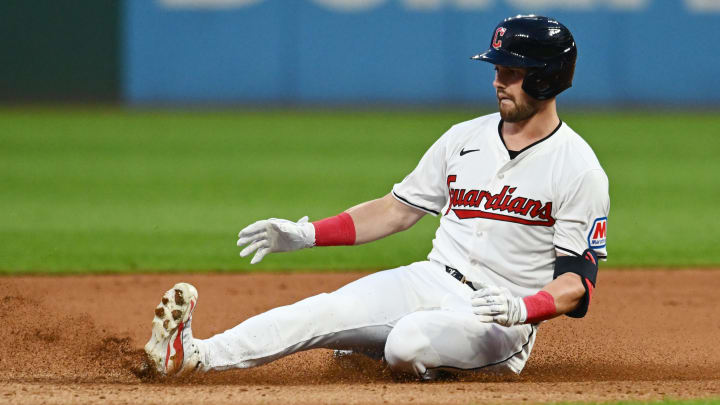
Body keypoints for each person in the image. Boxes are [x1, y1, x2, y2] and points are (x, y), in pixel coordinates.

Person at [144, 15, 609, 380]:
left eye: (511, 71)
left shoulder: (578, 168)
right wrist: (307, 235)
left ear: (545, 79)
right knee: (320, 310)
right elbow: (395, 210)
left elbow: (577, 284)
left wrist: (523, 309)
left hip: (496, 318)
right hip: (429, 279)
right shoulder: (463, 138)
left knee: (406, 343)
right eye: (497, 68)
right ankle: (195, 357)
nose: (496, 80)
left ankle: (381, 348)